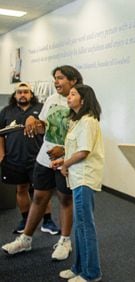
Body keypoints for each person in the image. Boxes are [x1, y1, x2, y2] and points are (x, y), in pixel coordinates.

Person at [2, 65, 83, 261]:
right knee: (38, 197)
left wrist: (64, 150)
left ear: (73, 80)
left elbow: (85, 135)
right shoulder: (52, 99)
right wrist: (32, 119)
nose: (56, 81)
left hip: (67, 160)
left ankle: (65, 241)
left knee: (65, 199)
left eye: (60, 78)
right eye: (55, 77)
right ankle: (26, 239)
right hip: (44, 158)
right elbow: (44, 126)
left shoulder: (82, 101)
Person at [52, 84, 104, 282]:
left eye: (73, 94)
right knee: (79, 225)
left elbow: (84, 152)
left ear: (83, 100)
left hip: (85, 177)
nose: (68, 96)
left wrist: (65, 164)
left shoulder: (89, 121)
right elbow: (76, 148)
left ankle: (92, 273)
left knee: (85, 225)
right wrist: (62, 160)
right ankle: (79, 267)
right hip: (76, 177)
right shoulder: (77, 121)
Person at [0, 82, 60, 235]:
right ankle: (25, 219)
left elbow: (50, 128)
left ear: (31, 94)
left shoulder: (40, 109)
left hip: (38, 158)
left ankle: (47, 221)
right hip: (14, 158)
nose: (22, 94)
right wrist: (1, 153)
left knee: (42, 191)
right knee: (21, 189)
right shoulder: (6, 111)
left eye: (26, 92)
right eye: (19, 92)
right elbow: (0, 134)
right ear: (15, 95)